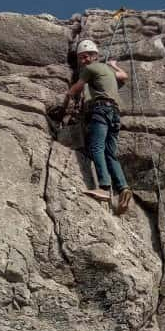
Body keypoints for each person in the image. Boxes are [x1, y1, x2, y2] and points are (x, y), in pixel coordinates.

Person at [64, 39, 134, 214]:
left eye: (87, 56)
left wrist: (66, 100)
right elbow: (124, 77)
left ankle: (104, 187)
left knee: (96, 147)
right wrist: (114, 65)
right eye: (81, 57)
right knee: (110, 154)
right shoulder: (108, 70)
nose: (84, 60)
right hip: (115, 114)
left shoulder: (89, 70)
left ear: (95, 56)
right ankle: (123, 188)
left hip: (101, 110)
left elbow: (76, 89)